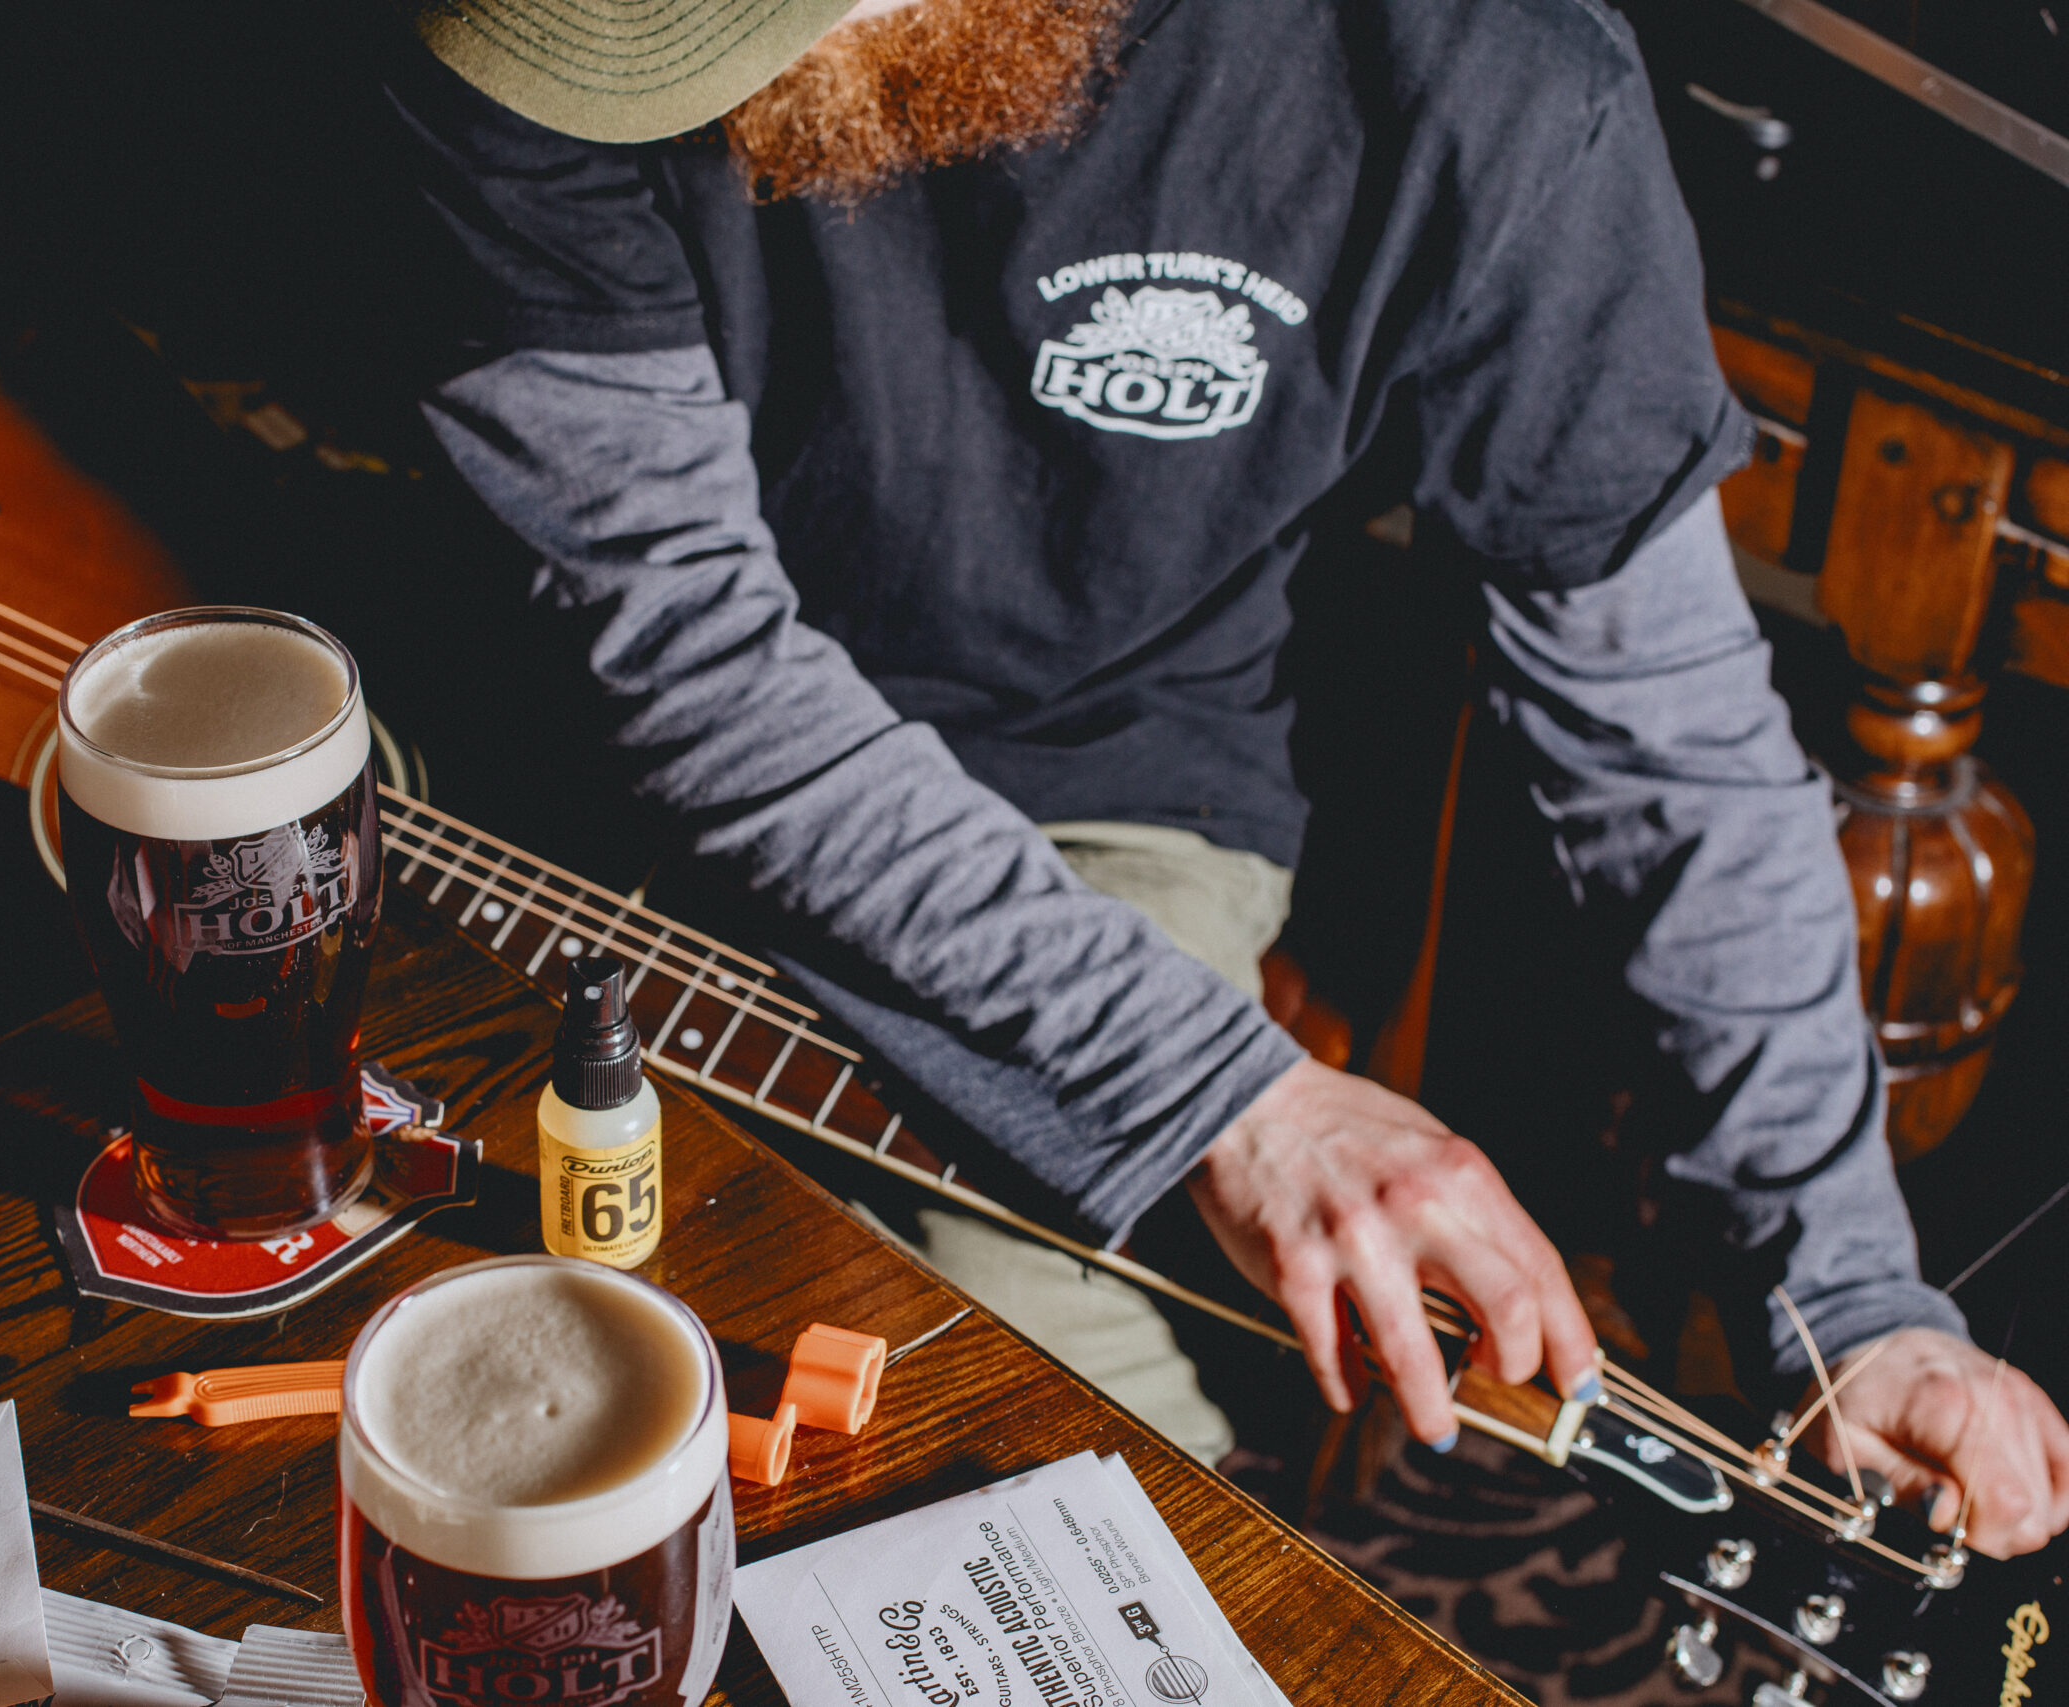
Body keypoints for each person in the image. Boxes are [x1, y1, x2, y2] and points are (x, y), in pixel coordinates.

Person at [370, 0, 2069, 1555]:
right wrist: (1228, 1099)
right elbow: (671, 646)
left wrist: (1855, 1298)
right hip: (544, 708)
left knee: (1020, 1496)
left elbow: (1672, 737)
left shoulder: (1490, 77)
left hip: (1088, 787)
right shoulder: (544, 28)